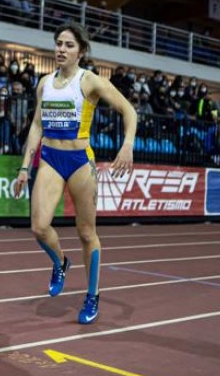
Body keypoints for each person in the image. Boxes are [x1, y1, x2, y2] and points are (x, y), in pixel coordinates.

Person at [13, 23, 136, 325]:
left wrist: (127, 146)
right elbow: (37, 126)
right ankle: (60, 262)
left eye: (68, 45)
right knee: (39, 227)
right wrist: (24, 168)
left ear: (81, 51)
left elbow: (129, 111)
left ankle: (92, 295)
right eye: (58, 43)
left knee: (86, 233)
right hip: (51, 159)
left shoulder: (89, 81)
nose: (61, 49)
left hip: (80, 160)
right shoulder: (44, 84)